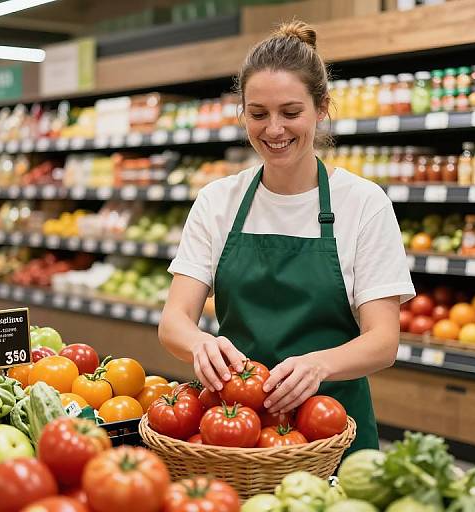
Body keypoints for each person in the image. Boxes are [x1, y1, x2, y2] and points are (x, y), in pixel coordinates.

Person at [159, 20, 415, 452]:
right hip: (238, 429)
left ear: (322, 108)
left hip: (332, 428)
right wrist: (200, 343)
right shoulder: (218, 200)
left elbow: (384, 341)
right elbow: (173, 322)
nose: (273, 130)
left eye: (290, 113)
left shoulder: (363, 204)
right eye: (258, 114)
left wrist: (319, 365)